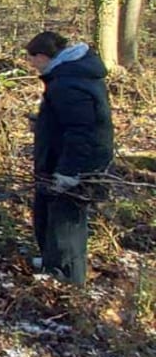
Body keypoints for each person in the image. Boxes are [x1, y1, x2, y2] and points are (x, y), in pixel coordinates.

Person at [24, 30, 113, 286]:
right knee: (47, 210)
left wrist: (70, 172)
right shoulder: (67, 75)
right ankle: (52, 261)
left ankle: (66, 278)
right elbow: (69, 120)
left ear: (42, 56)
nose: (31, 65)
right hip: (59, 157)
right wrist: (43, 123)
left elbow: (82, 131)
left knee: (67, 220)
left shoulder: (68, 83)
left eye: (32, 59)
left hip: (76, 164)